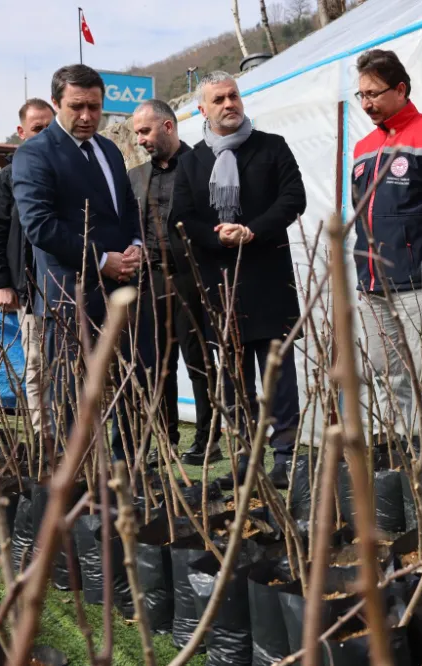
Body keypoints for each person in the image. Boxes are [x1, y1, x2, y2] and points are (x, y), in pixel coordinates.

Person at [172, 71, 305, 489]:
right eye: (219, 99)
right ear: (203, 110)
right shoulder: (192, 160)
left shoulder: (271, 147)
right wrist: (218, 236)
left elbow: (293, 198)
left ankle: (285, 455)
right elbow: (181, 216)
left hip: (268, 278)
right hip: (219, 284)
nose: (229, 104)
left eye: (234, 96)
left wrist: (251, 230)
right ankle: (247, 457)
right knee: (233, 381)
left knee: (278, 376)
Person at [12, 64, 144, 462]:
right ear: (56, 104)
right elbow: (41, 227)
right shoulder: (34, 154)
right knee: (71, 391)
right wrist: (102, 260)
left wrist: (136, 243)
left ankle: (124, 468)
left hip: (121, 290)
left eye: (95, 107)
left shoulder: (108, 150)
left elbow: (127, 204)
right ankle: (80, 474)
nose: (86, 116)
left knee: (126, 380)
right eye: (76, 107)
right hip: (70, 293)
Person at [350, 49, 422, 449]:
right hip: (373, 286)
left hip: (420, 283)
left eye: (374, 94)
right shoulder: (363, 147)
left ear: (400, 89)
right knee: (387, 376)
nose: (366, 104)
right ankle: (399, 460)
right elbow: (360, 214)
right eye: (361, 95)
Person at [129, 99, 221, 466]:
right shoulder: (135, 177)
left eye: (146, 131)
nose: (140, 140)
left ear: (168, 127)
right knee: (156, 363)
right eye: (137, 133)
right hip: (147, 279)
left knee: (198, 358)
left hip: (191, 276)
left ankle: (208, 438)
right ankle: (164, 440)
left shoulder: (203, 164)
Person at [0, 98, 55, 443]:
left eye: (49, 127)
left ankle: (80, 437)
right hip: (30, 287)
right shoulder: (7, 178)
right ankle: (46, 439)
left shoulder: (66, 170)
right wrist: (2, 283)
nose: (44, 134)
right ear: (21, 131)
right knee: (37, 365)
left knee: (77, 367)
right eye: (37, 128)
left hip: (71, 284)